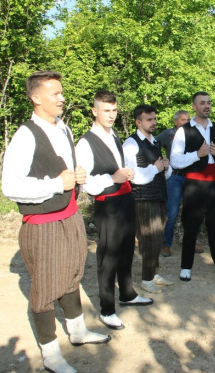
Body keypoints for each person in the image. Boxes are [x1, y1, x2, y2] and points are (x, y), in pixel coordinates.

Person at [2, 71, 110, 373]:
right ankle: (50, 354)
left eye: (61, 92)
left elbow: (64, 171)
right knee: (46, 288)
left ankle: (77, 332)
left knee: (72, 274)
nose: (62, 98)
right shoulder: (25, 135)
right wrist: (56, 183)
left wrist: (76, 175)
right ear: (36, 98)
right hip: (43, 224)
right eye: (55, 94)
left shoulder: (62, 128)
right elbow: (9, 187)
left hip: (70, 215)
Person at [76, 91, 153, 331]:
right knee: (108, 255)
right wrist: (114, 177)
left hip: (125, 199)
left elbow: (118, 169)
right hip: (107, 204)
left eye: (114, 110)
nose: (111, 115)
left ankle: (127, 293)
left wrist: (125, 173)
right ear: (94, 111)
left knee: (127, 248)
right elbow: (86, 183)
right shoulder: (85, 142)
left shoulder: (115, 135)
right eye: (106, 110)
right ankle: (107, 309)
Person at [170, 91, 215, 281]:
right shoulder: (184, 130)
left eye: (208, 103)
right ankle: (186, 266)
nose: (206, 106)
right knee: (192, 224)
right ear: (194, 106)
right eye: (202, 103)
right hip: (195, 183)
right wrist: (197, 155)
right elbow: (175, 161)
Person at [122, 104, 174, 294]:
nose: (153, 122)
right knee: (148, 239)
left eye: (154, 118)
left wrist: (165, 167)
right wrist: (156, 168)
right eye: (149, 119)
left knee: (158, 238)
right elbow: (132, 175)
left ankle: (153, 274)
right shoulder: (131, 144)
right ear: (138, 122)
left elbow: (159, 171)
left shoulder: (154, 142)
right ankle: (146, 279)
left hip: (158, 196)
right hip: (142, 199)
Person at [155, 110, 204, 257]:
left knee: (192, 212)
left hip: (191, 177)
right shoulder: (168, 134)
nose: (186, 122)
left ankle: (190, 242)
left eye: (188, 119)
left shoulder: (195, 132)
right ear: (176, 121)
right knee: (172, 212)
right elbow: (153, 144)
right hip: (175, 177)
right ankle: (166, 244)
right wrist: (163, 161)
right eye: (183, 119)